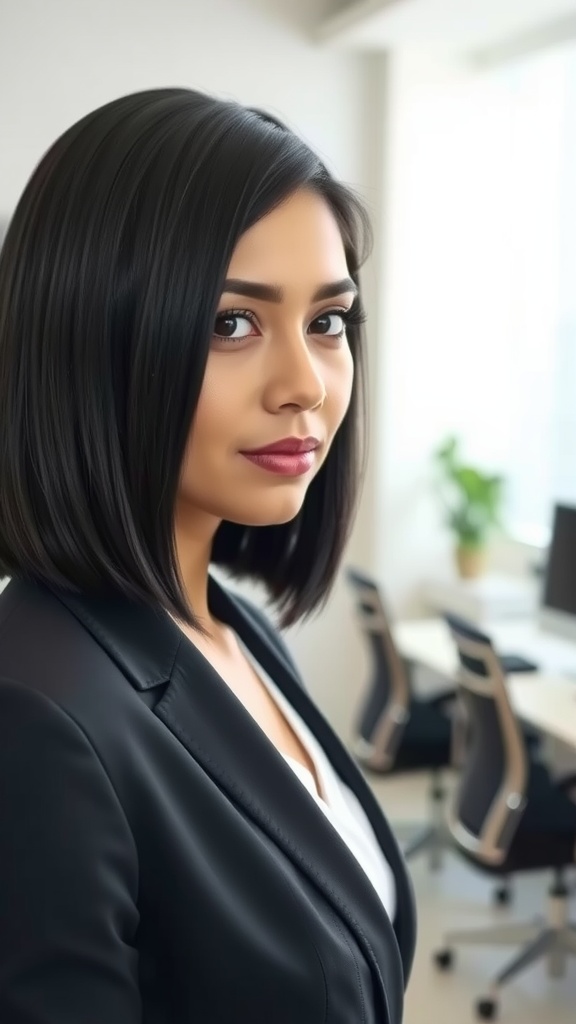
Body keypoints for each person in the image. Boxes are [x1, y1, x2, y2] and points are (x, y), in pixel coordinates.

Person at [0, 88, 416, 1024]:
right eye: (233, 323)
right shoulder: (31, 717)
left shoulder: (234, 626)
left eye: (328, 321)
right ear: (91, 343)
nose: (305, 384)